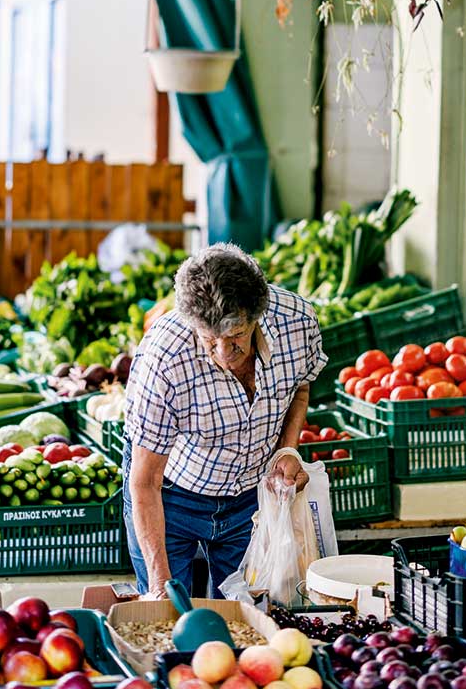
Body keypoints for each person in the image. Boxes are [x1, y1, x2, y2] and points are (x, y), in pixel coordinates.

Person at [123, 242, 326, 598]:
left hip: (251, 497)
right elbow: (145, 482)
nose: (223, 355)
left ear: (257, 316)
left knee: (245, 616)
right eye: (208, 340)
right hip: (172, 496)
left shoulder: (297, 321)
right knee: (170, 616)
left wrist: (287, 451)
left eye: (236, 338)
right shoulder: (164, 357)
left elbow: (301, 387)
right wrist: (158, 587)